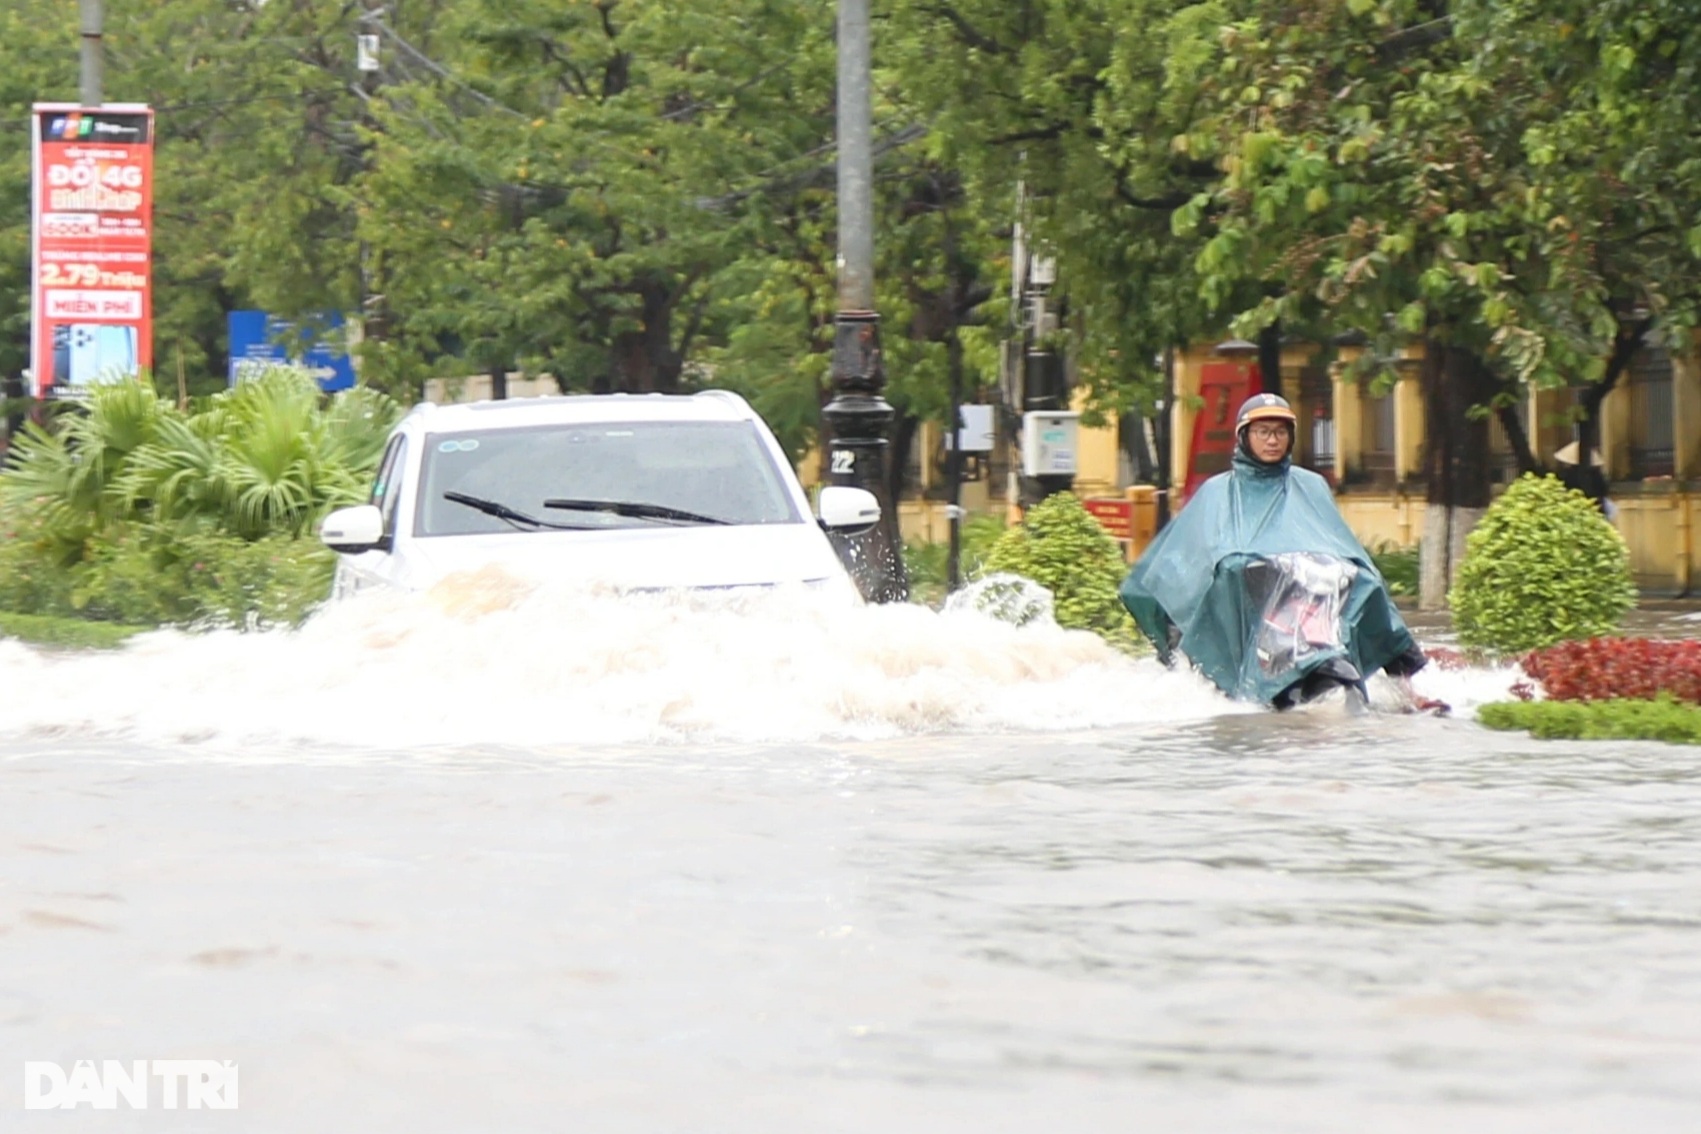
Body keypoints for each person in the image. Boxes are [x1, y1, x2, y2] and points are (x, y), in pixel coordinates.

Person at [1120, 393, 1428, 709]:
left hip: (1311, 593)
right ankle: (1247, 675)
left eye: (1280, 432)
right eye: (1263, 432)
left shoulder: (1310, 485)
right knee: (1233, 573)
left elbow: (1337, 542)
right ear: (1245, 436)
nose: (1272, 440)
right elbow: (1190, 557)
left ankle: (1405, 686)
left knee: (1367, 580)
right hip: (1252, 596)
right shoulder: (1218, 490)